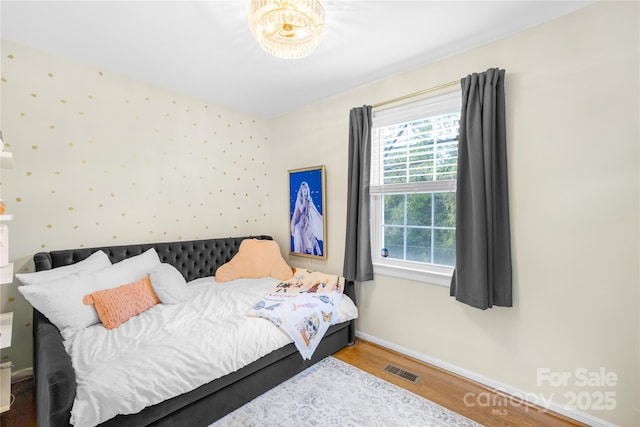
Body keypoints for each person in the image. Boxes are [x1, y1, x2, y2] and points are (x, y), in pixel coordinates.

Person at [290, 181, 323, 256]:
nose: (304, 190)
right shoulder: (299, 200)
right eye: (303, 189)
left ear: (307, 189)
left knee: (312, 239)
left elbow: (313, 210)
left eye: (305, 188)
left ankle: (316, 255)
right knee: (299, 239)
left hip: (306, 222)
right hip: (299, 224)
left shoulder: (309, 199)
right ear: (301, 190)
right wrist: (304, 199)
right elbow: (301, 209)